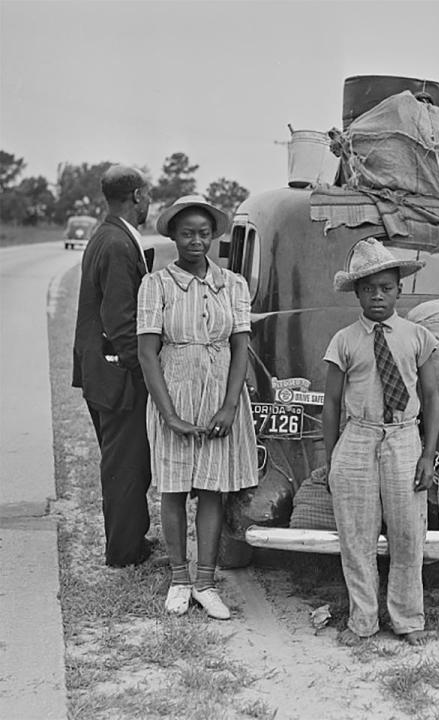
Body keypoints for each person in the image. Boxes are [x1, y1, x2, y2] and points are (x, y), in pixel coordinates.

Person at [137, 195, 259, 620]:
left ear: (214, 237)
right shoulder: (157, 285)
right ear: (172, 235)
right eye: (187, 233)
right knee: (173, 488)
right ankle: (179, 579)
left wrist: (229, 406)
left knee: (212, 489)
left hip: (220, 397)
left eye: (203, 234)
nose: (195, 241)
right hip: (175, 390)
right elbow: (148, 353)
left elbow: (240, 346)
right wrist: (169, 414)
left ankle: (205, 583)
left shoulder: (234, 284)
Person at [322, 238, 439, 647]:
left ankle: (408, 618)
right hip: (357, 437)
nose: (377, 296)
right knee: (357, 536)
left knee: (409, 533)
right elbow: (332, 403)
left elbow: (432, 398)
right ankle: (363, 620)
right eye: (369, 288)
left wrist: (428, 454)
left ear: (399, 290)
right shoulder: (344, 340)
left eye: (386, 288)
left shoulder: (417, 336)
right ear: (356, 292)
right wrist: (332, 458)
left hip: (404, 439)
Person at [72, 165, 156, 567]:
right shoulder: (119, 244)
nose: (149, 202)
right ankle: (125, 553)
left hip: (103, 370)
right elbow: (121, 321)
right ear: (137, 195)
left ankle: (130, 541)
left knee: (125, 460)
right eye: (149, 195)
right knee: (126, 464)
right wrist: (144, 373)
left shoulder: (107, 235)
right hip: (117, 375)